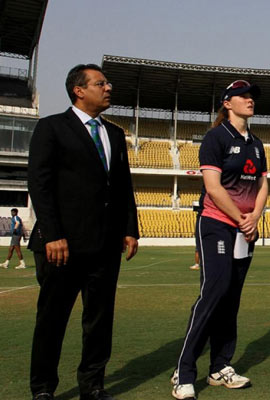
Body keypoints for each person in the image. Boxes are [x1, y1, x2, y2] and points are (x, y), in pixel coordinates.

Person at [27, 64, 139, 400]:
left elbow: (123, 188)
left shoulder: (115, 134)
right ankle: (43, 388)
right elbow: (40, 184)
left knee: (99, 321)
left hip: (105, 246)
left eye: (107, 83)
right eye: (100, 83)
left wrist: (130, 229)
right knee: (52, 320)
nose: (108, 88)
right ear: (79, 90)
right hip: (62, 245)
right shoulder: (52, 128)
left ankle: (93, 385)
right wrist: (53, 234)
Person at [171, 80, 268, 400]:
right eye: (243, 96)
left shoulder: (256, 143)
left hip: (246, 229)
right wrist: (242, 219)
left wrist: (255, 216)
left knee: (231, 298)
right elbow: (213, 187)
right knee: (214, 292)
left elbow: (263, 184)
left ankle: (220, 366)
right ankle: (183, 372)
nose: (250, 100)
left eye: (251, 96)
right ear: (227, 103)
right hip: (217, 224)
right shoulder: (215, 137)